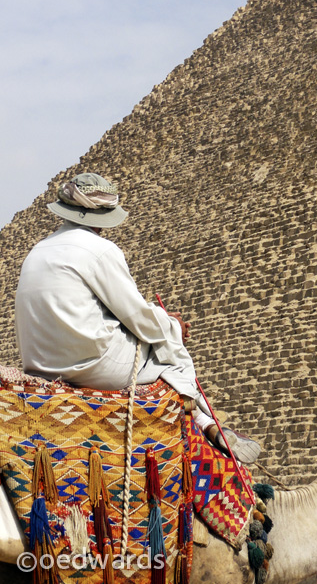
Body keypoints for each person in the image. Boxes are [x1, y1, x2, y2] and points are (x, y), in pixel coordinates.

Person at [15, 172, 260, 463]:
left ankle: (205, 424)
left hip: (40, 364)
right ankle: (207, 423)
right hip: (92, 366)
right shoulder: (99, 250)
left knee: (160, 334)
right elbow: (137, 317)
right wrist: (173, 326)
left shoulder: (38, 250)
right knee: (169, 349)